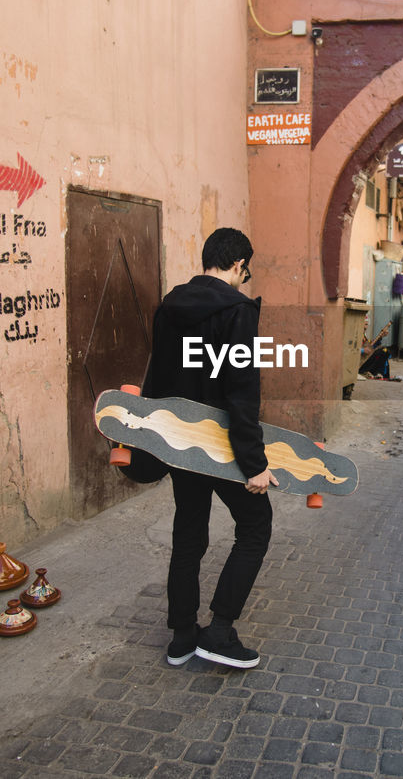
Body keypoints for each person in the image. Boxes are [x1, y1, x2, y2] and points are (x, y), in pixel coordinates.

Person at [137, 227, 277, 669]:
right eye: (246, 271)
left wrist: (152, 440)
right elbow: (241, 392)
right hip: (220, 445)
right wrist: (254, 464)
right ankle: (219, 632)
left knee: (189, 531)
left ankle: (182, 636)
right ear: (238, 265)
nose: (244, 278)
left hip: (180, 442)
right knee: (256, 524)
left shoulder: (169, 306)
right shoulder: (237, 310)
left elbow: (156, 377)